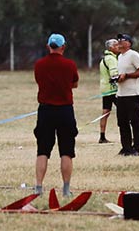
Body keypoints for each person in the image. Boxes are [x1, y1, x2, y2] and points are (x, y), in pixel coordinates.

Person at [33, 33, 79, 197]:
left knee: (42, 150)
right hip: (65, 110)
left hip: (45, 111)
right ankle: (66, 189)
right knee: (67, 151)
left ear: (48, 46)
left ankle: (38, 187)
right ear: (63, 47)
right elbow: (74, 83)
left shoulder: (39, 64)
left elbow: (39, 82)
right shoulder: (70, 64)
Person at [115, 33, 139, 156]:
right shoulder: (120, 57)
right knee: (122, 122)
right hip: (121, 94)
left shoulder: (133, 55)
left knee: (134, 121)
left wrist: (127, 76)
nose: (119, 42)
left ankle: (136, 147)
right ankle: (126, 147)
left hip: (132, 94)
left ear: (128, 43)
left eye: (122, 40)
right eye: (118, 40)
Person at [98, 38, 119, 144]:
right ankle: (127, 134)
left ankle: (102, 136)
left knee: (105, 112)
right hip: (113, 90)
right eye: (116, 45)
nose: (118, 46)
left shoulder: (104, 58)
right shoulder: (111, 59)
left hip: (105, 89)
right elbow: (114, 74)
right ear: (110, 48)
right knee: (123, 111)